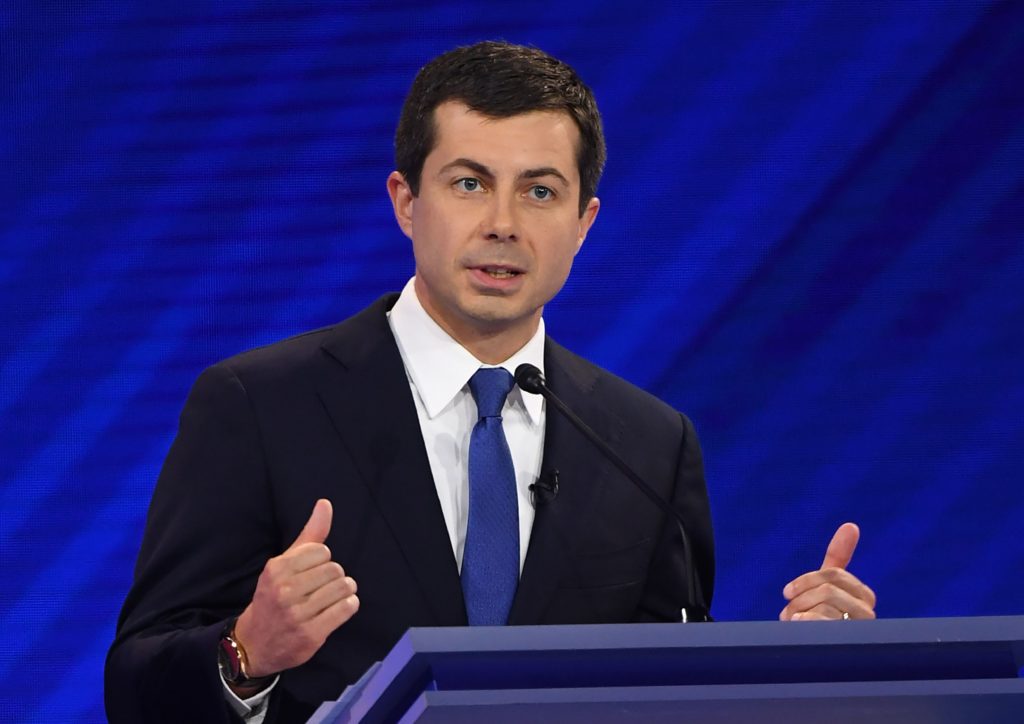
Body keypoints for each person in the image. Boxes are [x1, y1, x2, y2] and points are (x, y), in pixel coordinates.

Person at [105, 41, 876, 724]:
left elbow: (668, 685)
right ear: (406, 202)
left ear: (584, 222)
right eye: (469, 184)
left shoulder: (647, 444)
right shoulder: (260, 405)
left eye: (540, 192)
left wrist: (804, 665)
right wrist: (245, 652)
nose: (503, 223)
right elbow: (135, 688)